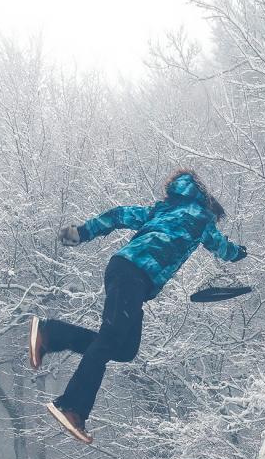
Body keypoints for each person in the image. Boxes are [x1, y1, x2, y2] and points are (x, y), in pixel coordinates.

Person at [30, 170, 248, 444]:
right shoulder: (202, 217)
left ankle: (52, 335)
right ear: (209, 206)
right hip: (133, 274)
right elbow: (220, 246)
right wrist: (238, 252)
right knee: (110, 340)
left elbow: (120, 214)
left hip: (124, 271)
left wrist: (83, 232)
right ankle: (72, 406)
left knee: (125, 349)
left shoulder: (163, 209)